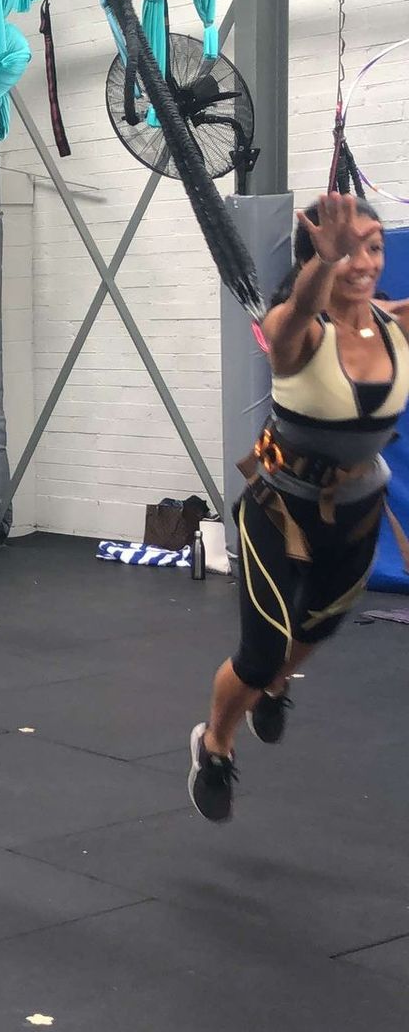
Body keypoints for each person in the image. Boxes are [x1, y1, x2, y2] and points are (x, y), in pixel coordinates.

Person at [188, 192, 409, 823]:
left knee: (318, 628)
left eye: (374, 246)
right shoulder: (296, 332)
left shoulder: (399, 327)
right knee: (260, 652)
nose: (363, 260)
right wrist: (323, 264)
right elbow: (290, 320)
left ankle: (276, 688)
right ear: (317, 254)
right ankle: (216, 745)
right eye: (347, 248)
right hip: (279, 506)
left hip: (360, 511)